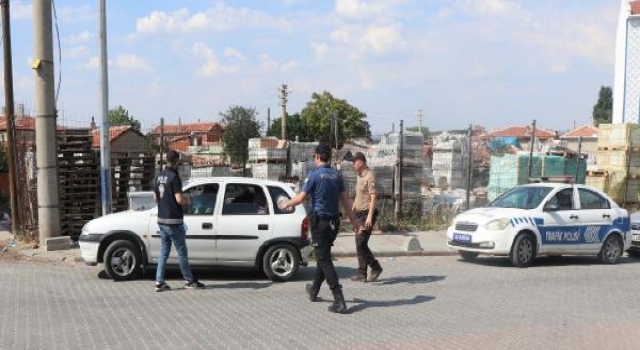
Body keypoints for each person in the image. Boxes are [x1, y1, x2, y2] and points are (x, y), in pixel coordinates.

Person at [280, 144, 359, 314]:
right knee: (323, 256)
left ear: (317, 157)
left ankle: (339, 300)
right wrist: (354, 222)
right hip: (333, 224)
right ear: (328, 157)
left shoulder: (314, 175)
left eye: (314, 157)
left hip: (320, 224)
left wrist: (286, 203)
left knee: (324, 260)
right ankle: (314, 290)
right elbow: (346, 201)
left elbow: (301, 198)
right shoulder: (337, 175)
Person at [153, 150, 205, 292]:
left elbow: (155, 199)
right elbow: (179, 199)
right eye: (179, 162)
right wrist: (189, 199)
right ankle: (189, 281)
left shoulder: (159, 177)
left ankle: (159, 282)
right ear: (176, 162)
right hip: (174, 221)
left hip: (161, 220)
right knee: (182, 252)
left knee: (164, 252)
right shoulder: (174, 177)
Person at [349, 152, 383, 282]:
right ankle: (362, 273)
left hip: (366, 214)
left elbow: (373, 197)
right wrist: (353, 206)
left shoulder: (370, 176)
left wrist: (369, 217)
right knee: (359, 244)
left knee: (361, 242)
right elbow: (360, 194)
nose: (352, 164)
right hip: (358, 213)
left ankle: (376, 267)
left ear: (361, 162)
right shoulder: (359, 176)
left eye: (354, 162)